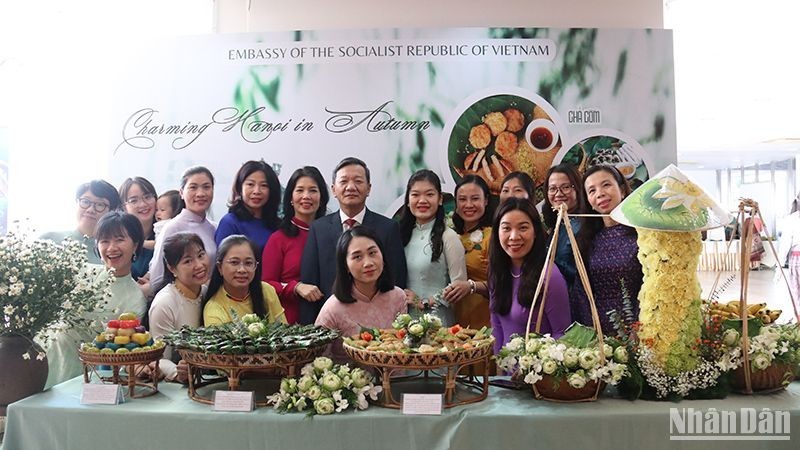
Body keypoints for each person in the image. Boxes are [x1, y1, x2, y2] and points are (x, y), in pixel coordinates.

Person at [45, 211, 147, 388]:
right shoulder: (81, 272)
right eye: (104, 241)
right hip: (47, 359)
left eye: (119, 239)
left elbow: (117, 349)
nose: (111, 247)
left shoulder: (135, 299)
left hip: (85, 376)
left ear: (135, 245)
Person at [300, 157, 407, 324]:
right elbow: (310, 282)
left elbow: (397, 278)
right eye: (344, 181)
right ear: (334, 189)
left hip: (382, 324)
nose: (351, 187)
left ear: (369, 188)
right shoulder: (318, 229)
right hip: (333, 322)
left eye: (358, 181)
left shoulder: (388, 228)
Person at [488, 199, 571, 354]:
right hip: (505, 374)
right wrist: (499, 367)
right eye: (506, 228)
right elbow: (497, 326)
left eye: (523, 228)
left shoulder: (550, 276)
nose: (514, 236)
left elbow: (562, 334)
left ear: (535, 232)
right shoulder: (498, 271)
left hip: (537, 374)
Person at [315, 227, 407, 362]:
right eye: (357, 257)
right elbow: (319, 360)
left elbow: (404, 345)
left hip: (397, 379)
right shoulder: (333, 308)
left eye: (372, 253)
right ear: (345, 265)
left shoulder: (397, 296)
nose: (368, 263)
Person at [571, 165, 642, 334]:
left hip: (640, 330)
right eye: (592, 190)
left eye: (606, 185)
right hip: (600, 333)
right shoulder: (586, 240)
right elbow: (581, 293)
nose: (600, 194)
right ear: (589, 201)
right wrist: (591, 332)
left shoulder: (642, 235)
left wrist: (639, 328)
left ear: (622, 190)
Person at [261, 166, 329, 324]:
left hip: (328, 318)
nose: (306, 196)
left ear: (322, 197)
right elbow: (265, 284)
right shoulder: (278, 238)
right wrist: (296, 287)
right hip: (290, 322)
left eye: (313, 190)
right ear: (291, 198)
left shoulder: (332, 234)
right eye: (300, 190)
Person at [399, 169, 467, 326]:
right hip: (403, 322)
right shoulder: (399, 235)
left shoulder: (449, 237)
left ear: (440, 199)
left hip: (437, 322)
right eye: (415, 195)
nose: (422, 200)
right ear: (408, 200)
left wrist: (425, 302)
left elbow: (459, 286)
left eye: (429, 194)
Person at [147, 232, 209, 383]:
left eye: (201, 255)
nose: (199, 265)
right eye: (188, 261)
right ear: (172, 268)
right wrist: (179, 373)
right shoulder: (165, 303)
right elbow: (160, 358)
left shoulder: (206, 292)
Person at [149, 166, 216, 291]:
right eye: (193, 187)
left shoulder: (214, 228)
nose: (200, 193)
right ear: (181, 192)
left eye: (206, 187)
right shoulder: (172, 227)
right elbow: (157, 276)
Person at [202, 235, 286, 326]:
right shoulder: (214, 309)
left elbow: (285, 331)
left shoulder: (267, 290)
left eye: (248, 263)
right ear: (219, 267)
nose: (242, 270)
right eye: (234, 262)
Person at [443, 175, 493, 329]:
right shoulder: (449, 236)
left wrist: (471, 286)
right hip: (452, 321)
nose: (469, 204)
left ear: (486, 200)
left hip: (485, 320)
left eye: (475, 198)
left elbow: (505, 285)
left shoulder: (493, 237)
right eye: (462, 199)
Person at [41, 179, 121, 265]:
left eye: (100, 205)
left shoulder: (112, 253)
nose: (90, 210)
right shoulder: (49, 240)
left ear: (112, 211)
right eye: (86, 202)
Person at [214, 160, 281, 251]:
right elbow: (223, 261)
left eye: (264, 185)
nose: (256, 191)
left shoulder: (277, 225)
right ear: (240, 188)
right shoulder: (230, 223)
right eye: (250, 184)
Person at [541, 164, 586, 287]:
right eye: (552, 188)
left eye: (565, 187)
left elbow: (583, 273)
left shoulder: (585, 225)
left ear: (578, 189)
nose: (558, 194)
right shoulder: (558, 222)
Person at [118, 177, 158, 282]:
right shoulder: (118, 238)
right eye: (134, 200)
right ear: (124, 207)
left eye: (147, 197)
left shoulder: (167, 232)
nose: (143, 204)